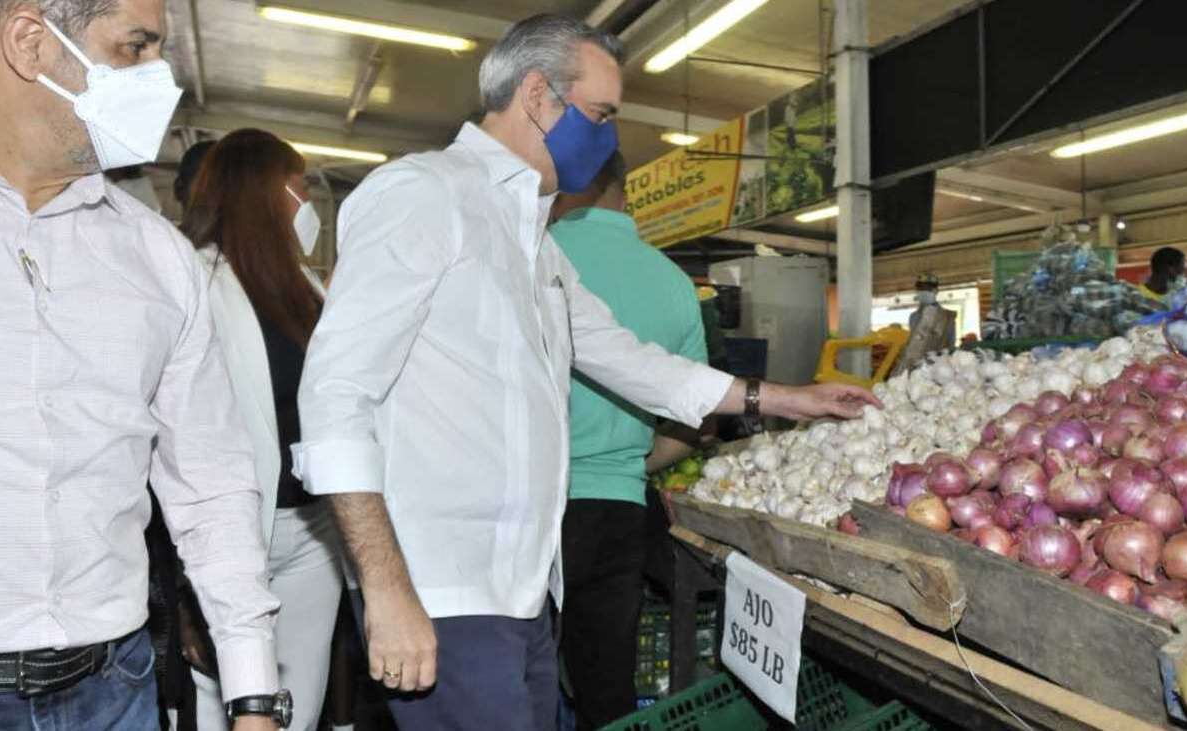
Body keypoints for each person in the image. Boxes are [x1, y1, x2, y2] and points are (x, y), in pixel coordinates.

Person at [293, 13, 879, 731]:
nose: (606, 137)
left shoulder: (534, 241)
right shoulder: (424, 195)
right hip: (444, 587)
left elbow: (629, 359)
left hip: (527, 588)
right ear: (538, 96)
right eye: (601, 114)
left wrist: (786, 398)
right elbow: (333, 394)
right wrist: (385, 590)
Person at [0, 2, 285, 730]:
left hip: (115, 685)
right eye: (134, 48)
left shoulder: (156, 257)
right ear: (31, 43)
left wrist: (252, 693)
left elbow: (211, 486)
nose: (160, 78)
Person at [180, 129, 344, 731]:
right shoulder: (196, 280)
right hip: (231, 534)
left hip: (314, 531)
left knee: (296, 706)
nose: (308, 208)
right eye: (301, 190)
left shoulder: (307, 290)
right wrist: (183, 596)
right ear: (264, 193)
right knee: (222, 704)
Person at [548, 151, 706, 729]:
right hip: (617, 508)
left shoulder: (537, 256)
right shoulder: (672, 280)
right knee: (606, 684)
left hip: (528, 506)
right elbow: (696, 421)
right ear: (624, 188)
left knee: (526, 672)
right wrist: (634, 463)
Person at [907, 272, 956, 346]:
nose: (924, 292)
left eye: (928, 289)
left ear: (936, 291)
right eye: (921, 289)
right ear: (917, 291)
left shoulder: (947, 316)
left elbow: (951, 343)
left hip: (940, 356)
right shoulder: (914, 317)